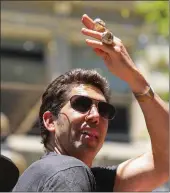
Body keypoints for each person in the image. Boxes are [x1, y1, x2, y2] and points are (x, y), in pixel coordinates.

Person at [13, 14, 169, 192]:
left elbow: (165, 162)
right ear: (50, 121)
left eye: (104, 110)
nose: (95, 116)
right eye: (81, 104)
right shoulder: (68, 172)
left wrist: (133, 77)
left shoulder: (85, 179)